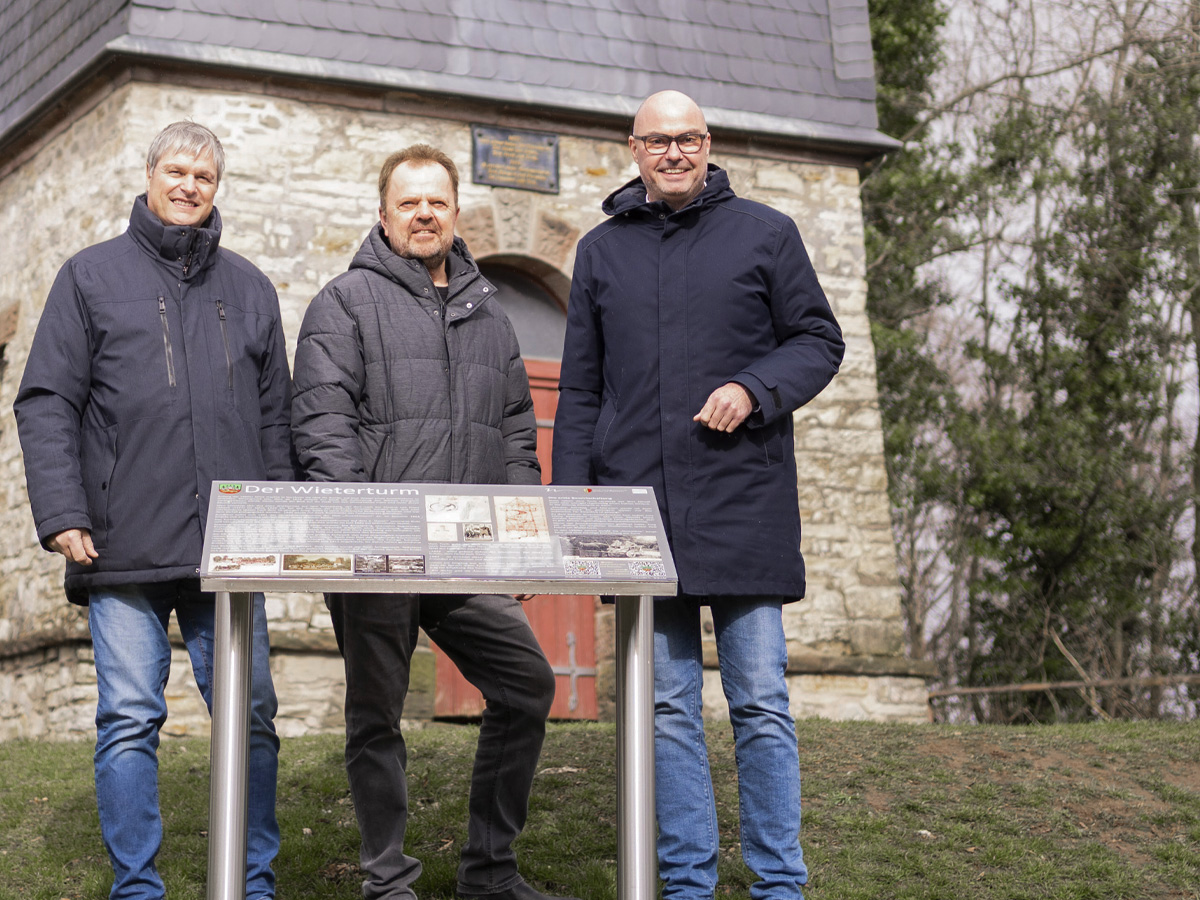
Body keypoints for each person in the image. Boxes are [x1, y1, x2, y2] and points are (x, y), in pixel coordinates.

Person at [552, 91, 844, 900]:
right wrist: (572, 503)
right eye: (657, 141)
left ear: (708, 144)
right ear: (634, 150)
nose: (673, 153)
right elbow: (580, 387)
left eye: (687, 139)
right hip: (635, 510)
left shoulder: (766, 233)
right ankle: (686, 884)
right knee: (667, 710)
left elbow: (820, 340)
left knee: (759, 702)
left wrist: (755, 388)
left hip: (741, 501)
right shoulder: (601, 251)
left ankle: (777, 885)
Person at [14, 121, 291, 900]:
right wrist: (61, 510)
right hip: (120, 544)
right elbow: (46, 403)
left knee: (254, 721)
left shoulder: (251, 288)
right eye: (176, 170)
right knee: (131, 717)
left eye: (204, 176)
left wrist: (282, 529)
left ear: (217, 187)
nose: (189, 186)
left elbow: (278, 422)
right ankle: (137, 887)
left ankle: (253, 880)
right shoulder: (89, 277)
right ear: (149, 174)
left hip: (230, 551)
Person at [291, 144, 571, 900]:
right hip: (376, 556)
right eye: (408, 202)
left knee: (526, 685)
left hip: (464, 554)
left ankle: (488, 872)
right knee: (377, 717)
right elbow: (323, 431)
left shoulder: (490, 313)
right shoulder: (342, 303)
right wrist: (361, 541)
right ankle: (388, 881)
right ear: (383, 215)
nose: (423, 214)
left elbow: (517, 429)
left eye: (437, 202)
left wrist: (516, 542)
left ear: (455, 213)